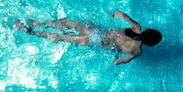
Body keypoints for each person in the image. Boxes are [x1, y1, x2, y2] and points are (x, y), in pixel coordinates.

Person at [14, 10, 162, 65]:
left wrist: (112, 14)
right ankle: (29, 31)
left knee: (66, 22)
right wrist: (115, 54)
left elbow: (120, 14)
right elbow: (118, 62)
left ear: (148, 31)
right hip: (95, 42)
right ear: (149, 44)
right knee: (61, 38)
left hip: (96, 31)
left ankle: (35, 22)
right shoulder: (137, 52)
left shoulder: (136, 27)